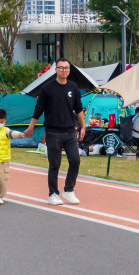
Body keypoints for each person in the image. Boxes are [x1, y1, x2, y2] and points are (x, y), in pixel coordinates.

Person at [23, 58, 85, 206]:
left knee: (75, 160)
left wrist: (83, 126)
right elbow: (39, 109)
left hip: (70, 131)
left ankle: (69, 190)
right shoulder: (47, 88)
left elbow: (79, 108)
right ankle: (53, 194)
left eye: (66, 68)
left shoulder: (73, 87)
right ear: (55, 70)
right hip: (53, 132)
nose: (64, 70)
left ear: (70, 70)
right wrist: (31, 127)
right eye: (61, 68)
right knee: (54, 164)